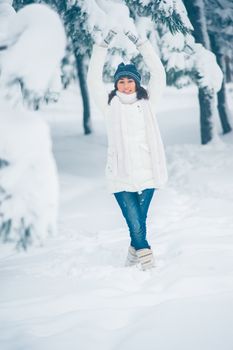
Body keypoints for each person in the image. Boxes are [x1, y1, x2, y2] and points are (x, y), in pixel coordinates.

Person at [87, 28, 168, 270]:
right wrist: (101, 46)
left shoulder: (149, 103)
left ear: (136, 82)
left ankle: (134, 256)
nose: (125, 85)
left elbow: (159, 73)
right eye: (121, 81)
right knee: (135, 222)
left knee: (138, 222)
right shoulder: (109, 106)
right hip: (119, 175)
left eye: (129, 80)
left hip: (148, 172)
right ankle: (147, 262)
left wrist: (142, 42)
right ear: (116, 84)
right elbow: (92, 79)